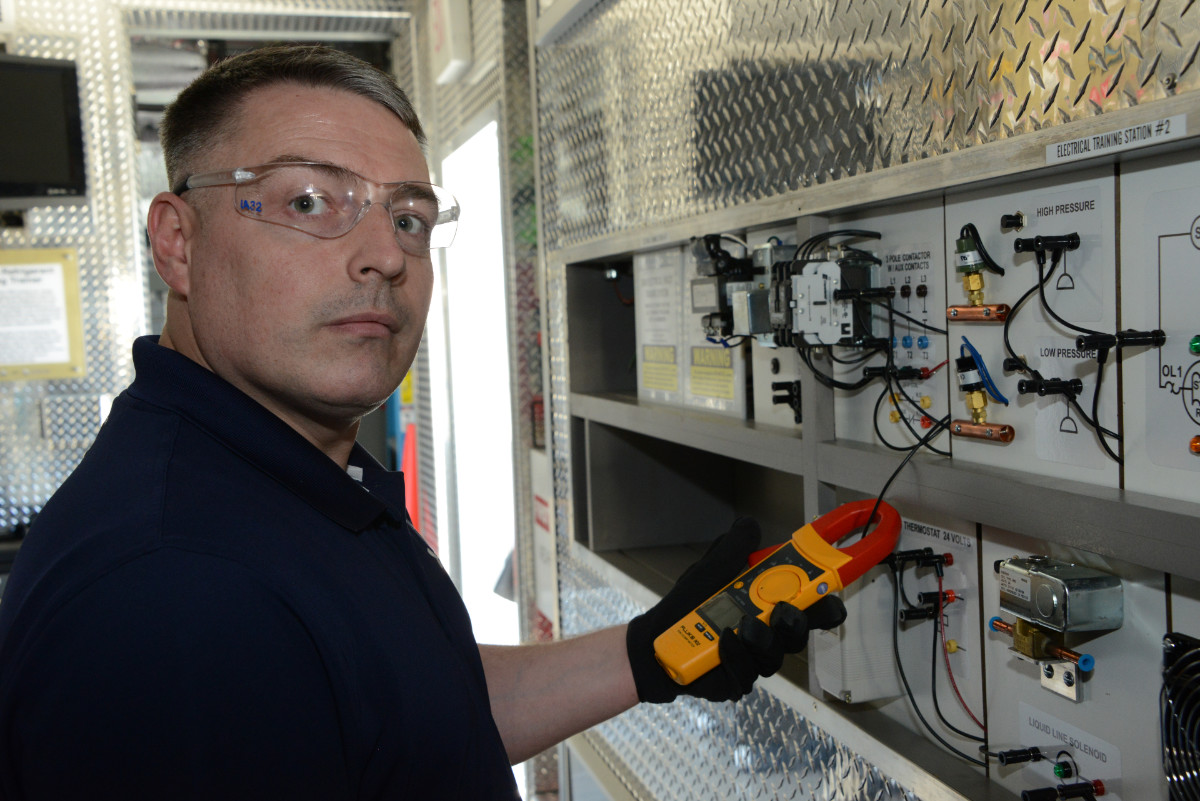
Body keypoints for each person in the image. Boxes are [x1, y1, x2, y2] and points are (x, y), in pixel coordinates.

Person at [0, 45, 846, 799]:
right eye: (308, 200)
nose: (385, 254)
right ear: (177, 242)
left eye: (408, 216)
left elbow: (404, 707)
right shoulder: (174, 586)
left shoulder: (285, 474)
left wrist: (646, 654)